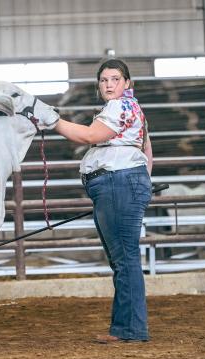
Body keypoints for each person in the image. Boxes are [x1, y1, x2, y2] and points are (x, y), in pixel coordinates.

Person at [54, 59, 153, 343]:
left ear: (127, 83)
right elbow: (147, 148)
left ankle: (132, 329)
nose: (109, 84)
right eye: (104, 80)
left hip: (118, 183)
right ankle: (124, 329)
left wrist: (52, 120)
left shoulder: (120, 107)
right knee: (123, 260)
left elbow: (89, 135)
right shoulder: (131, 109)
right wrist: (142, 183)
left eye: (115, 79)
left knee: (125, 260)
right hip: (120, 184)